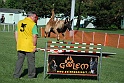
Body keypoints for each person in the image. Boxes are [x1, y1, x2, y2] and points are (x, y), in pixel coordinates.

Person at [13, 11, 38, 78]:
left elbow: (16, 33)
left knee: (19, 61)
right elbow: (34, 36)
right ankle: (31, 75)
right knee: (31, 61)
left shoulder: (20, 22)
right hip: (29, 46)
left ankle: (16, 75)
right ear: (31, 16)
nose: (35, 18)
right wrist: (34, 46)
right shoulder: (33, 24)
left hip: (20, 45)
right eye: (35, 17)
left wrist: (18, 42)